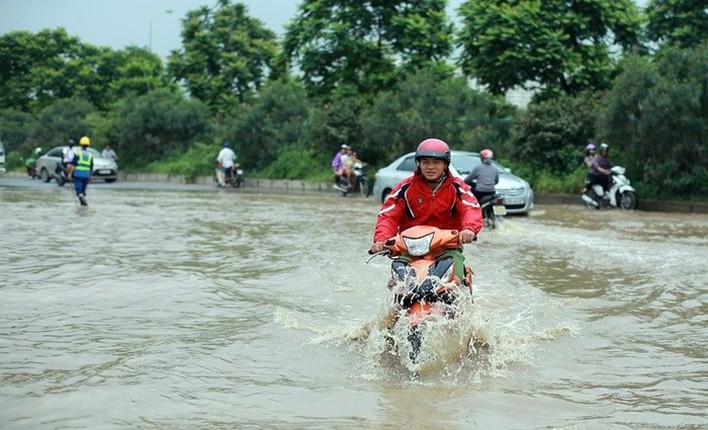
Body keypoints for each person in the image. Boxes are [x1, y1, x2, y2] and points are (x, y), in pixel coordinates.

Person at [370, 138, 483, 283]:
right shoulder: (405, 188)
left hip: (447, 247)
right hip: (410, 249)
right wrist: (381, 239)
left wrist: (469, 229)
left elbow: (471, 207)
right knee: (397, 283)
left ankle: (458, 299)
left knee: (455, 280)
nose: (431, 167)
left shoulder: (457, 187)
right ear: (419, 164)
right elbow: (388, 215)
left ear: (445, 165)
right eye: (425, 162)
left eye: (436, 162)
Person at [68, 136, 93, 206]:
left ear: (81, 144)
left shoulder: (78, 153)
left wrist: (69, 174)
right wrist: (90, 177)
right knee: (83, 191)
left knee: (79, 191)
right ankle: (83, 207)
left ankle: (83, 203)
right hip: (86, 175)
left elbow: (73, 165)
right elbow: (91, 167)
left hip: (78, 174)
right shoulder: (90, 154)